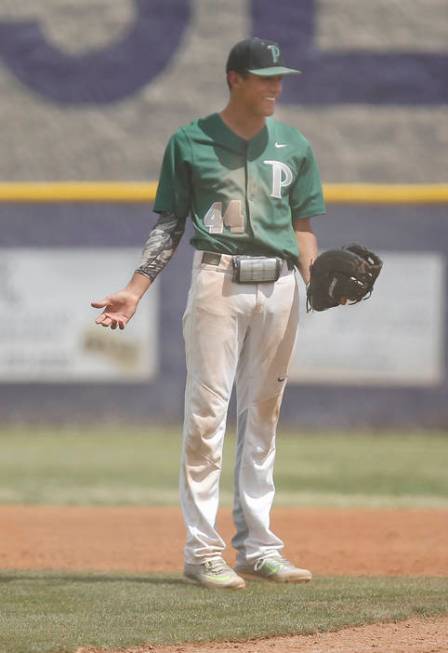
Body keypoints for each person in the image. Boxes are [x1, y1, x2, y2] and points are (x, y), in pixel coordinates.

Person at [91, 37, 326, 588]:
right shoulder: (190, 141)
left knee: (264, 414)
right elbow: (171, 223)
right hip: (218, 278)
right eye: (264, 76)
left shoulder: (293, 144)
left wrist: (313, 281)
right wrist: (136, 287)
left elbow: (304, 225)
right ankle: (202, 552)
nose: (276, 86)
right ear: (234, 79)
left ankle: (259, 548)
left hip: (281, 285)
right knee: (206, 417)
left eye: (280, 77)